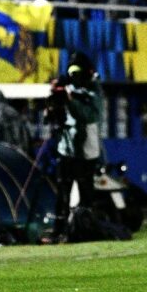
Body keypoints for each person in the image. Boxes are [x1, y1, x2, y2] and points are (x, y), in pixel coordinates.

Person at [48, 52, 104, 243]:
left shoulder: (94, 92)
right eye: (72, 73)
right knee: (62, 193)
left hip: (86, 152)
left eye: (78, 73)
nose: (75, 78)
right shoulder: (68, 89)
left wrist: (71, 101)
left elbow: (88, 116)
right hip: (66, 149)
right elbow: (53, 115)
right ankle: (59, 230)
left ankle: (84, 229)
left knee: (85, 194)